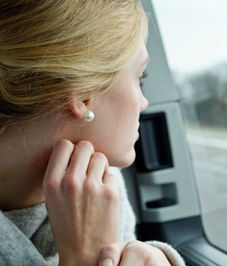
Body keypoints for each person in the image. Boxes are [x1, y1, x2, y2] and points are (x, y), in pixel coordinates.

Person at [0, 1, 185, 265]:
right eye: (138, 78)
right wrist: (83, 260)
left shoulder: (98, 186)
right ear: (84, 94)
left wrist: (151, 257)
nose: (144, 103)